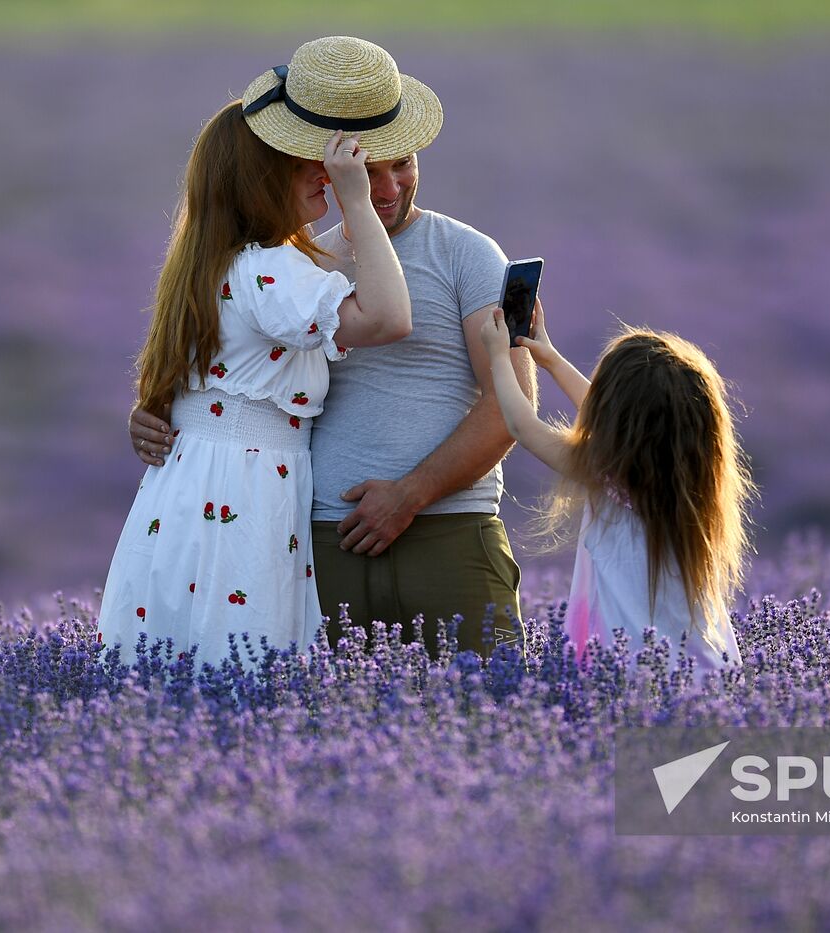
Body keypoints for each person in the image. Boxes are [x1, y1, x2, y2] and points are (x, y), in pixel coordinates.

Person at [128, 36, 536, 658]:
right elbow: (235, 368)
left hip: (447, 530)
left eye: (403, 164)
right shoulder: (301, 264)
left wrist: (411, 494)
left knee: (486, 703)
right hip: (322, 538)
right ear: (327, 170)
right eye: (366, 172)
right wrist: (162, 413)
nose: (388, 187)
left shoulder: (467, 254)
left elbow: (511, 403)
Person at [98, 52, 413, 662]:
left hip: (187, 490)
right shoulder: (271, 269)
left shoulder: (210, 264)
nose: (320, 173)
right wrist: (358, 202)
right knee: (241, 662)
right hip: (244, 496)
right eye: (299, 164)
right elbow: (389, 317)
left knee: (175, 660)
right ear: (259, 181)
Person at [480, 307, 754, 671]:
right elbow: (620, 421)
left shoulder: (607, 476)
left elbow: (522, 426)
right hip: (705, 670)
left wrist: (498, 357)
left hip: (633, 675)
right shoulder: (692, 484)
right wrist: (551, 360)